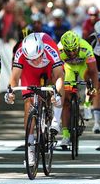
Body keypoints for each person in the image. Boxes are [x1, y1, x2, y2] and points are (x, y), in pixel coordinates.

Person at [5, 32, 65, 164]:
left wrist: (57, 93)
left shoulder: (50, 48)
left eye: (38, 57)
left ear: (42, 49)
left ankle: (56, 118)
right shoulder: (20, 52)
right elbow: (14, 77)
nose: (36, 61)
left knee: (56, 86)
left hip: (49, 67)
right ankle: (30, 147)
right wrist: (11, 92)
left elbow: (59, 75)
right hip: (29, 71)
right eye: (32, 58)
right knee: (29, 103)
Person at [58, 30, 99, 147]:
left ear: (78, 45)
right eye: (68, 51)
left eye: (74, 50)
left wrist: (94, 88)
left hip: (83, 66)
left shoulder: (86, 47)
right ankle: (65, 135)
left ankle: (87, 104)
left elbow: (94, 71)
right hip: (69, 68)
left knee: (89, 81)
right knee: (65, 100)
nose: (71, 53)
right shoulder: (58, 49)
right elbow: (56, 72)